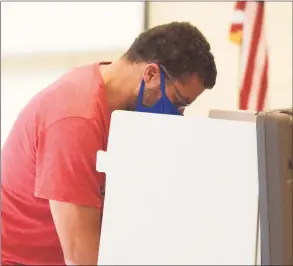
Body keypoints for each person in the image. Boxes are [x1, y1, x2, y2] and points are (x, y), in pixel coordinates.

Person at [1, 21, 217, 265]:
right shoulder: (75, 120)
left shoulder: (122, 109)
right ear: (151, 74)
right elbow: (80, 257)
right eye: (179, 102)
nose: (178, 114)